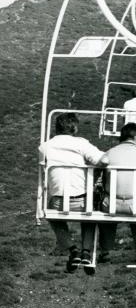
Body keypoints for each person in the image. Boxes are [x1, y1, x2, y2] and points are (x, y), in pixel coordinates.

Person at [38, 112, 109, 274]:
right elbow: (104, 160)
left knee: (52, 217)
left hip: (58, 201)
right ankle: (86, 251)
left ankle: (73, 249)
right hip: (82, 201)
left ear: (57, 128)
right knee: (90, 217)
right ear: (74, 128)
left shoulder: (45, 146)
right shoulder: (81, 144)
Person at [98, 123, 136, 264]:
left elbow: (103, 179)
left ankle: (105, 251)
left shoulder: (109, 153)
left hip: (111, 203)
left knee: (104, 211)